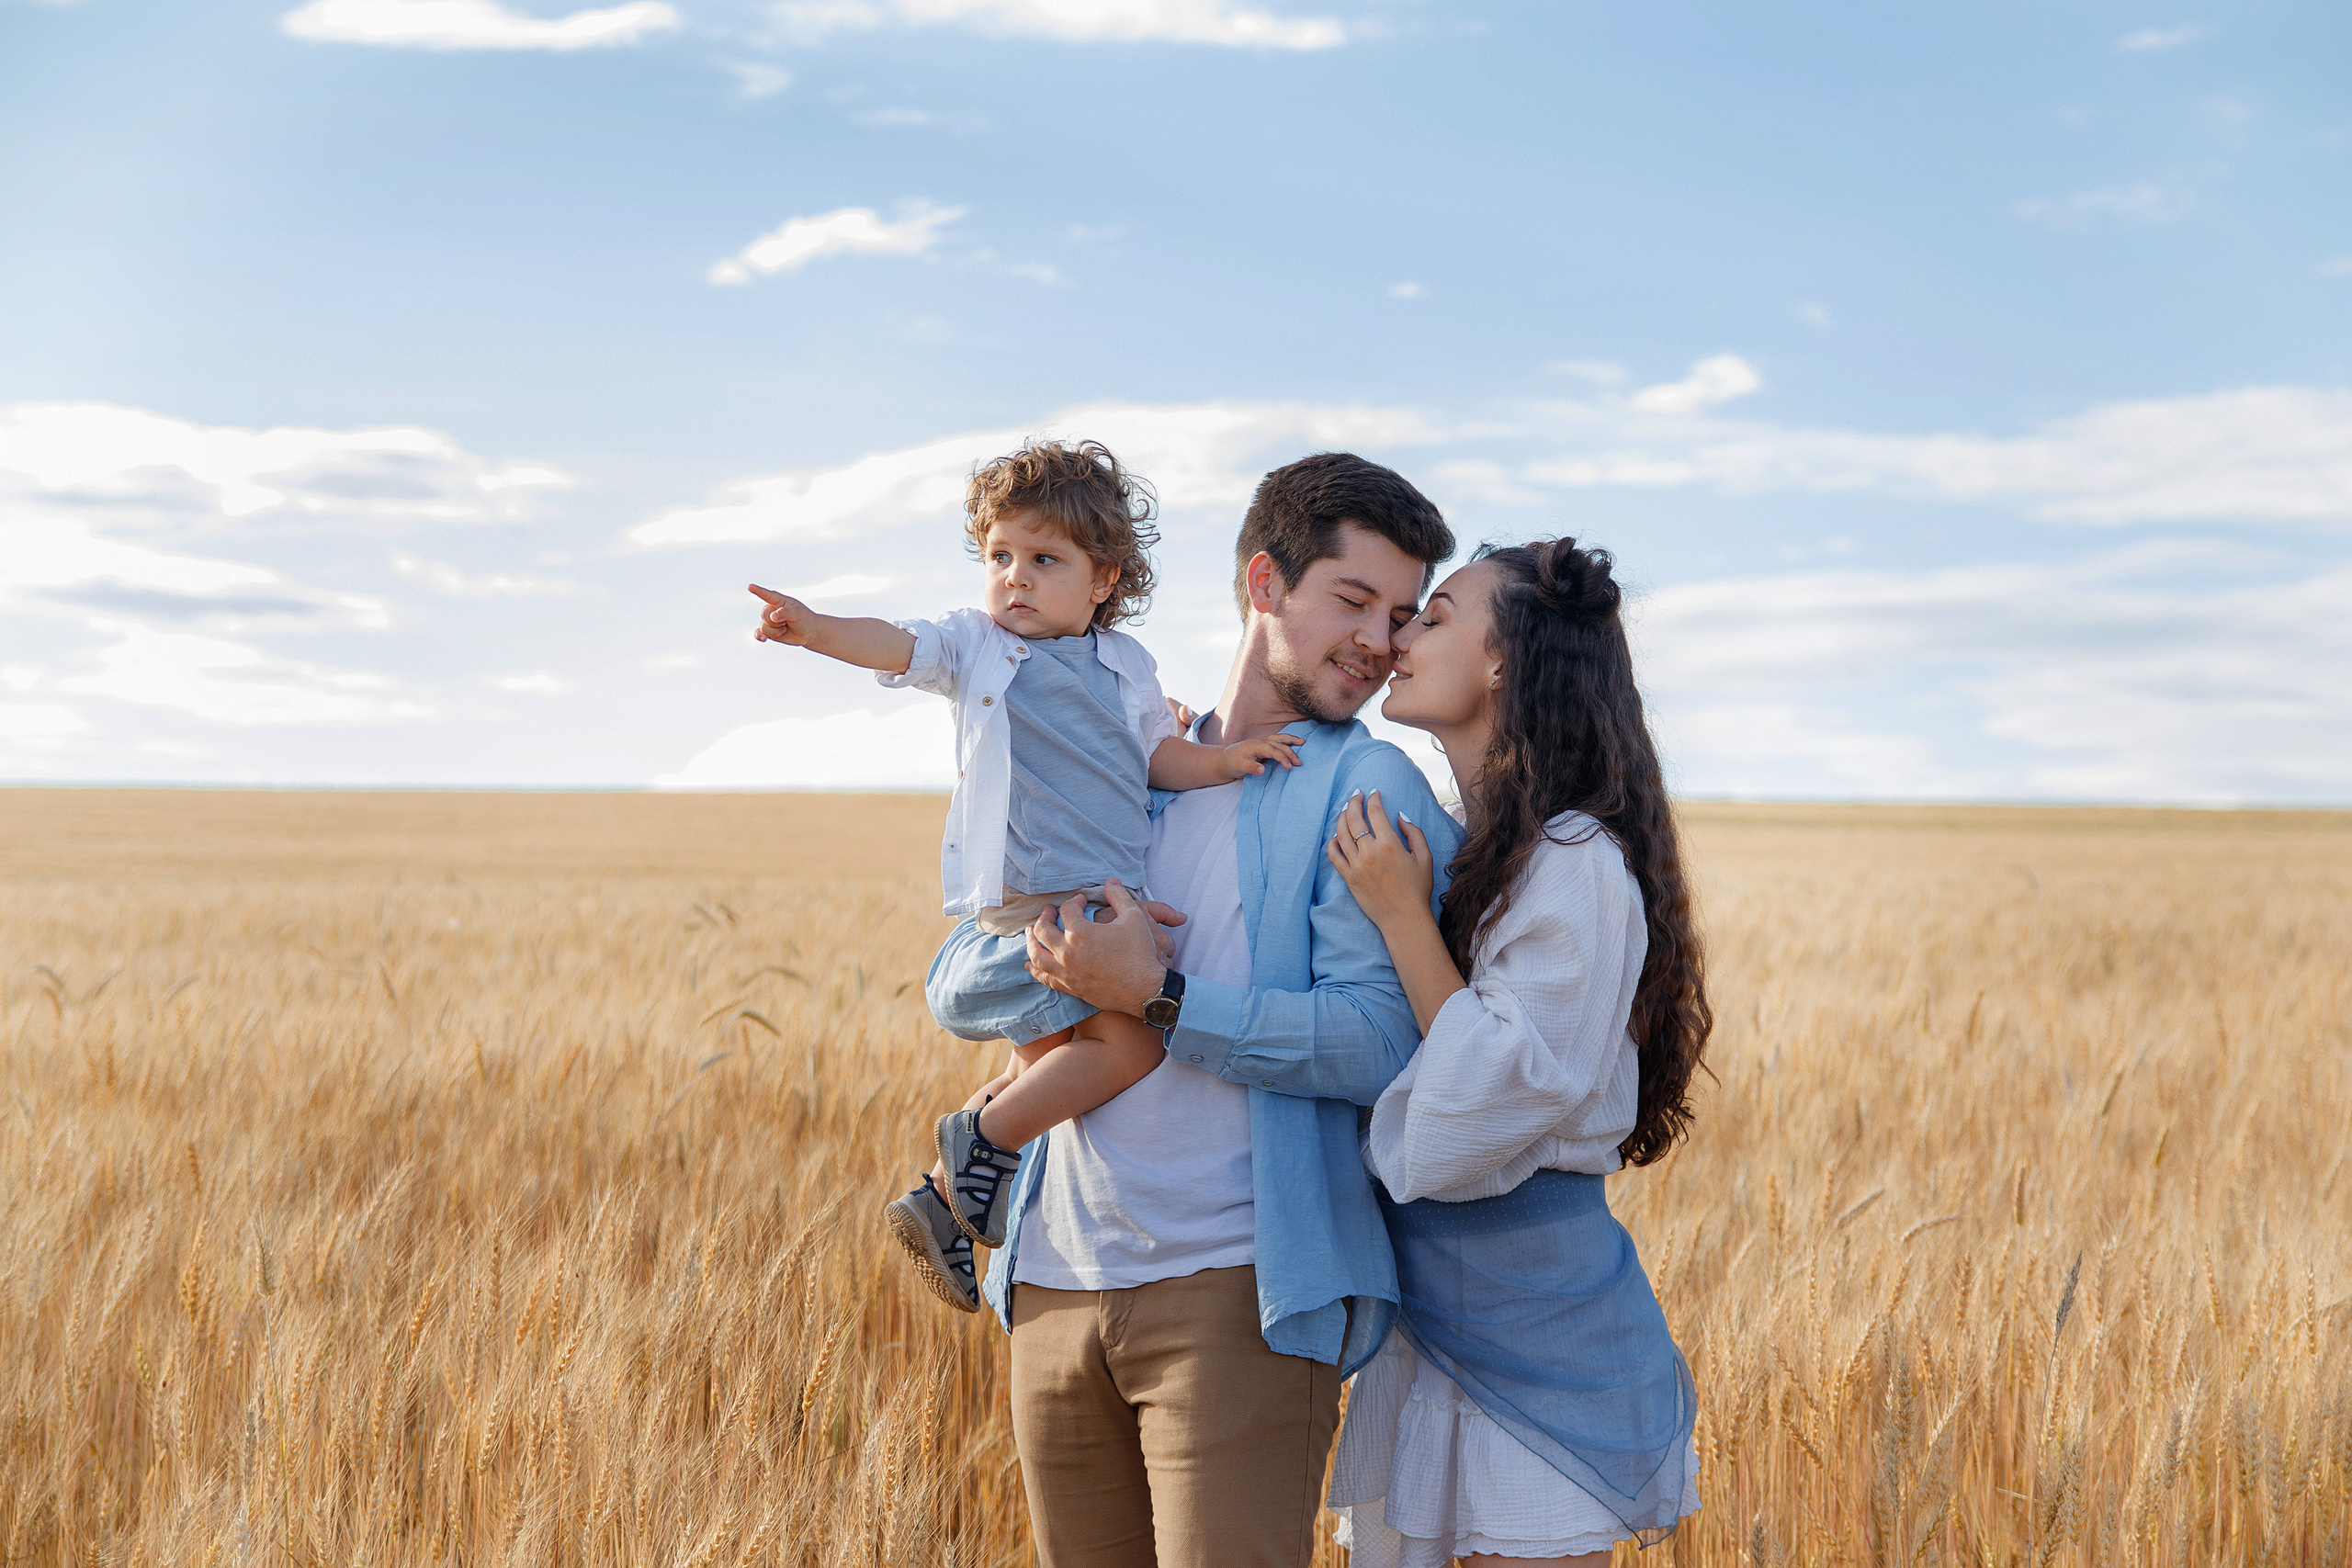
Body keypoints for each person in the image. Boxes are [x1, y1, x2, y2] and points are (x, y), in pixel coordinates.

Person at [1006, 452, 1463, 1568]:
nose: (1376, 639)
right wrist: (1033, 966)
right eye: (1349, 599)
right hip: (1055, 1278)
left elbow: (1383, 1043)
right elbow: (961, 970)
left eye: (1399, 615)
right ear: (1264, 582)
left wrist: (1155, 996)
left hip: (1238, 1291)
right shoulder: (1129, 760)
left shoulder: (1372, 791)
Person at [746, 438, 1304, 1312]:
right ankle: (979, 1141)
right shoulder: (978, 649)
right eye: (999, 557)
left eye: (1044, 560)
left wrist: (1227, 760)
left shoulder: (1126, 667)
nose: (1015, 578)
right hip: (1041, 906)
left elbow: (1159, 757)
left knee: (1058, 1060)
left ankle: (941, 1195)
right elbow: (897, 644)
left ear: (1103, 578)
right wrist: (814, 630)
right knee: (1133, 1041)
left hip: (1099, 904)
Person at [1320, 537, 1711, 1567]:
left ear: (1504, 661)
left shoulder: (1573, 859)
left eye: (1435, 613)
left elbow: (1480, 1102)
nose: (1401, 634)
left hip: (1541, 1349)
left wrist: (1404, 922)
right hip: (1437, 1334)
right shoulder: (1475, 845)